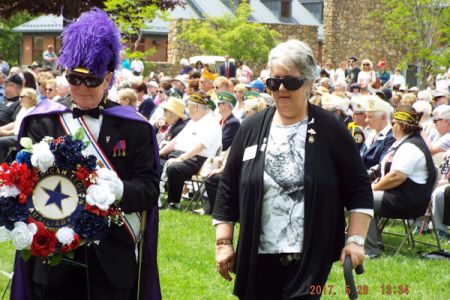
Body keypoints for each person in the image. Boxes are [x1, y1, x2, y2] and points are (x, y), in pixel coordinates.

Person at [11, 9, 161, 300]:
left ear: (108, 77)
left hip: (111, 261)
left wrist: (120, 190)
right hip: (52, 259)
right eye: (73, 79)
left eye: (91, 81)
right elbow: (21, 186)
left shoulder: (134, 128)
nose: (81, 88)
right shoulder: (42, 121)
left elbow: (150, 189)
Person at [213, 40, 373, 299]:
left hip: (310, 255)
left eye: (292, 82)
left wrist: (355, 241)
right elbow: (228, 187)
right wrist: (223, 242)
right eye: (275, 82)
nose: (282, 89)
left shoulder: (331, 129)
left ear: (309, 83)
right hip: (256, 253)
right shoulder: (251, 128)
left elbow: (358, 188)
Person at [365, 106, 436, 257]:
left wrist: (373, 188)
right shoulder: (402, 142)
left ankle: (370, 251)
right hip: (398, 195)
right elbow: (384, 167)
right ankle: (374, 241)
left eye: (393, 123)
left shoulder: (411, 147)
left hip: (408, 201)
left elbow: (396, 177)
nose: (391, 127)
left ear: (402, 126)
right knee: (361, 195)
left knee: (363, 200)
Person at [159, 92, 222, 210]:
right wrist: (159, 153)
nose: (187, 110)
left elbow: (199, 146)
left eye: (188, 106)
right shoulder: (193, 121)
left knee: (175, 168)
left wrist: (180, 158)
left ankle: (174, 203)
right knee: (153, 161)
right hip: (181, 156)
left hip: (197, 161)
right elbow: (175, 142)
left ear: (195, 107)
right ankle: (154, 198)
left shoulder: (211, 123)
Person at [0, 88, 37, 162]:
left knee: (0, 141)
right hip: (16, 134)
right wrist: (2, 128)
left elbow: (21, 129)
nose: (20, 99)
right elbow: (15, 123)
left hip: (23, 137)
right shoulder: (24, 108)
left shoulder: (33, 111)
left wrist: (6, 133)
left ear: (30, 98)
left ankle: (2, 166)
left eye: (22, 97)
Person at [360, 95, 395, 169]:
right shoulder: (372, 133)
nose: (366, 120)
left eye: (370, 117)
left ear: (383, 117)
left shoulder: (391, 137)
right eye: (366, 116)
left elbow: (381, 166)